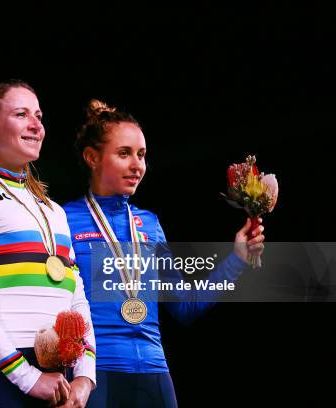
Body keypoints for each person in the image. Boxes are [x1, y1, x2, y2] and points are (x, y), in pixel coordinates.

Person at [63, 100, 266, 408]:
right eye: (124, 153)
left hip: (154, 374)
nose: (137, 165)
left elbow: (186, 306)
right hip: (95, 374)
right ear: (92, 157)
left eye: (141, 155)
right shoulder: (62, 219)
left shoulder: (150, 224)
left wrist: (237, 260)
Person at [0, 81, 96, 407]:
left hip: (59, 376)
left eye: (39, 116)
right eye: (21, 114)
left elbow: (76, 296)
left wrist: (85, 374)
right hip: (2, 370)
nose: (36, 125)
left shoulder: (54, 210)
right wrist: (26, 377)